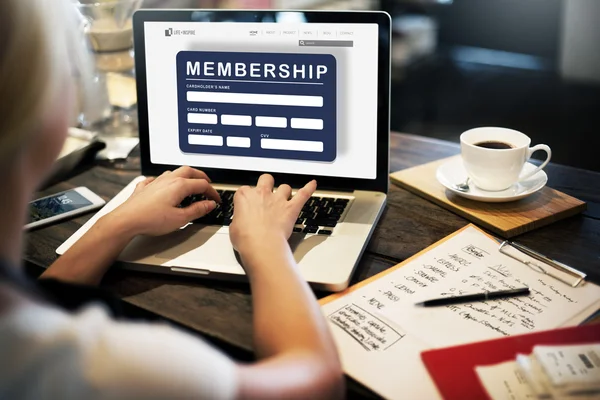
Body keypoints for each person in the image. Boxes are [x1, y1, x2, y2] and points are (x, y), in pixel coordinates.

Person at [0, 1, 343, 398]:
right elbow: (317, 382)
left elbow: (45, 304)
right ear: (42, 110)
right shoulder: (108, 368)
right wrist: (265, 245)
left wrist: (117, 223)